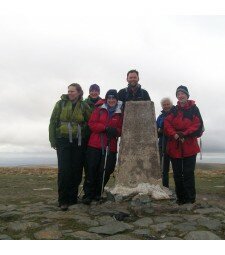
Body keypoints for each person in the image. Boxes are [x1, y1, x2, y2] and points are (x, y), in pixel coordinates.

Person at [49, 83, 91, 211]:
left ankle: (72, 198)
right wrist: (53, 140)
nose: (70, 93)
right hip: (63, 140)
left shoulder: (84, 106)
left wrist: (85, 137)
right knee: (64, 170)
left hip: (79, 141)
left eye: (73, 91)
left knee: (77, 170)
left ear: (79, 92)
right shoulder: (60, 104)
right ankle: (63, 200)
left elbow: (89, 123)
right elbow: (53, 121)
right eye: (69, 91)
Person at [164, 85, 203, 205]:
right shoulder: (174, 110)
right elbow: (167, 123)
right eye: (178, 94)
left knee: (188, 173)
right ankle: (181, 199)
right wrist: (175, 134)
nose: (181, 96)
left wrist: (184, 134)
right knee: (177, 174)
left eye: (183, 94)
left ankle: (190, 199)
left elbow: (197, 125)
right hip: (175, 147)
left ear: (187, 95)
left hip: (189, 146)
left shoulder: (194, 109)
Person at [82, 89, 123, 204]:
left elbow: (121, 130)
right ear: (106, 99)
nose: (111, 100)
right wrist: (105, 128)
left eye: (113, 98)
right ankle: (88, 194)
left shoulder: (120, 113)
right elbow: (92, 124)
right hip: (95, 144)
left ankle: (98, 192)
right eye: (109, 98)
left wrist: (115, 131)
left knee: (106, 169)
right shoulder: (99, 109)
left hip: (111, 145)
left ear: (116, 99)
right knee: (91, 169)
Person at [156, 97, 174, 188]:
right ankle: (164, 186)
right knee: (163, 167)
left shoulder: (176, 113)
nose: (166, 106)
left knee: (176, 167)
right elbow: (155, 129)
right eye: (164, 105)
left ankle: (179, 189)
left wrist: (164, 129)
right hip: (162, 143)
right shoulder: (160, 117)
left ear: (171, 104)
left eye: (168, 104)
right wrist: (159, 130)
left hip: (173, 143)